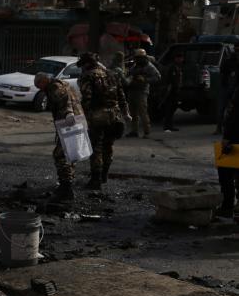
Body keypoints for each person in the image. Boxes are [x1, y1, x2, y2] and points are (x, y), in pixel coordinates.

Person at [78, 52, 130, 189]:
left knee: (96, 149)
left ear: (87, 64)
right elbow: (121, 96)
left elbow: (86, 98)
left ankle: (96, 180)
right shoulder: (112, 74)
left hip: (98, 116)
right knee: (108, 146)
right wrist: (126, 113)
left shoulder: (87, 76)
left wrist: (82, 117)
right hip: (115, 116)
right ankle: (104, 176)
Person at [34, 72, 83, 201]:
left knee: (61, 155)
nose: (40, 89)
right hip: (74, 121)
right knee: (70, 154)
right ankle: (67, 184)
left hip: (69, 122)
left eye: (39, 85)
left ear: (43, 81)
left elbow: (66, 102)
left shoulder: (55, 87)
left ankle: (66, 188)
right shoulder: (61, 83)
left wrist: (68, 114)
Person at [124, 49, 160, 138]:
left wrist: (145, 79)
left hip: (141, 91)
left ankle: (147, 132)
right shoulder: (135, 65)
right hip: (132, 90)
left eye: (139, 58)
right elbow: (129, 74)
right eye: (137, 58)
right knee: (133, 113)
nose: (137, 59)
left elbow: (157, 77)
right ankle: (134, 131)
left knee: (143, 113)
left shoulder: (149, 66)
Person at [216, 86, 239, 218]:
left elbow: (234, 115)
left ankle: (227, 207)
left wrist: (227, 137)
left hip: (235, 139)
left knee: (225, 172)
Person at [161, 52, 184, 132]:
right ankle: (167, 126)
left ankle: (170, 125)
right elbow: (171, 80)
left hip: (175, 90)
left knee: (172, 109)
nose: (180, 59)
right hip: (171, 91)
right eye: (179, 58)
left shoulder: (178, 67)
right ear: (176, 59)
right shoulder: (172, 67)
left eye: (181, 58)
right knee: (169, 109)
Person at [216, 50, 238, 135]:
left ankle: (220, 128)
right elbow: (222, 74)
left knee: (224, 109)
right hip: (227, 87)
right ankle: (219, 128)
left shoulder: (229, 61)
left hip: (230, 88)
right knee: (222, 109)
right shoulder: (228, 62)